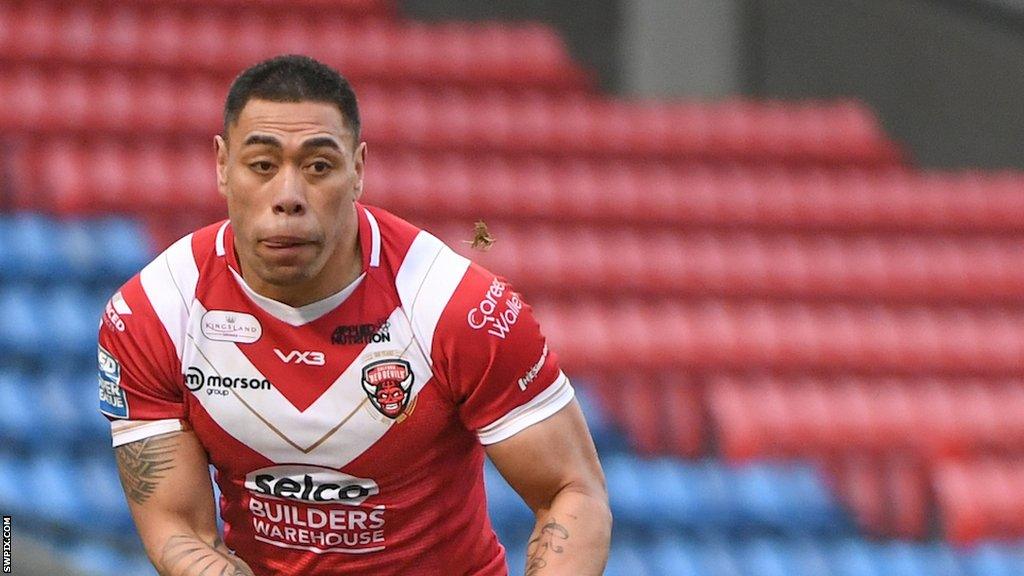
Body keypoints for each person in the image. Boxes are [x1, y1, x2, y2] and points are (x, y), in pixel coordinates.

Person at [97, 54, 611, 575]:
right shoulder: (155, 313)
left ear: (358, 170)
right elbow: (178, 530)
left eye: (319, 166)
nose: (289, 197)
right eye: (262, 165)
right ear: (222, 166)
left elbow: (571, 491)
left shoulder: (456, 307)